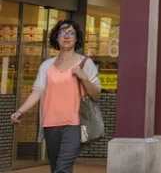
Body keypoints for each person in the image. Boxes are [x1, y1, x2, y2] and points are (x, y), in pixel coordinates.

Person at [11, 19, 101, 173]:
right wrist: (21, 111)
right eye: (62, 33)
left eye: (70, 33)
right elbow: (38, 91)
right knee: (55, 167)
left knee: (63, 167)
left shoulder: (85, 64)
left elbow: (96, 94)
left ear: (76, 38)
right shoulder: (47, 65)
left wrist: (83, 76)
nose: (66, 36)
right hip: (50, 124)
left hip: (74, 124)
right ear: (57, 38)